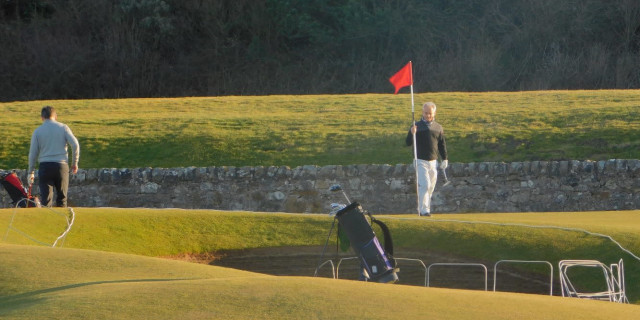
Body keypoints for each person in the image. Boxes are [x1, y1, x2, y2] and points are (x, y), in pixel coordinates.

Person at [28, 106, 80, 207]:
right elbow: (75, 145)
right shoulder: (63, 128)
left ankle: (47, 221)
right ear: (55, 116)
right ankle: (62, 222)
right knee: (62, 199)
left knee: (46, 201)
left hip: (45, 167)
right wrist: (75, 163)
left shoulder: (37, 132)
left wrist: (31, 171)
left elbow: (33, 153)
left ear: (42, 117)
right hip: (61, 166)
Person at [405, 102, 448, 216]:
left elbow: (441, 144)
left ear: (434, 113)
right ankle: (423, 210)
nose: (428, 115)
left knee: (431, 187)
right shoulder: (416, 126)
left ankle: (425, 208)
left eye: (430, 113)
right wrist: (411, 132)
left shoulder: (438, 127)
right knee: (425, 185)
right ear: (422, 112)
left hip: (433, 161)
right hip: (420, 160)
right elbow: (408, 142)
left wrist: (445, 159)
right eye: (426, 113)